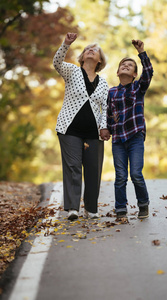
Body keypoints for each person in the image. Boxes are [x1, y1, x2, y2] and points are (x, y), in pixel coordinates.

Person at [53, 32, 110, 221]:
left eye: (95, 50)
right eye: (88, 49)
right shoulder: (72, 71)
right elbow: (57, 63)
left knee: (93, 169)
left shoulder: (103, 83)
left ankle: (91, 208)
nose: (91, 51)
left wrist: (104, 127)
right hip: (69, 129)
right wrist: (66, 43)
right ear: (83, 56)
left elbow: (106, 108)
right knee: (73, 167)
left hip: (93, 133)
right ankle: (72, 208)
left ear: (100, 59)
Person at [107, 39, 153, 219]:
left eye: (129, 66)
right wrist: (107, 129)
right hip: (118, 139)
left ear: (134, 74)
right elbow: (110, 114)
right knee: (120, 176)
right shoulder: (111, 92)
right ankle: (120, 209)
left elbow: (148, 72)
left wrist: (141, 52)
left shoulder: (138, 87)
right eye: (123, 65)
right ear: (118, 72)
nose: (125, 66)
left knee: (135, 174)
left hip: (135, 136)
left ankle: (143, 204)